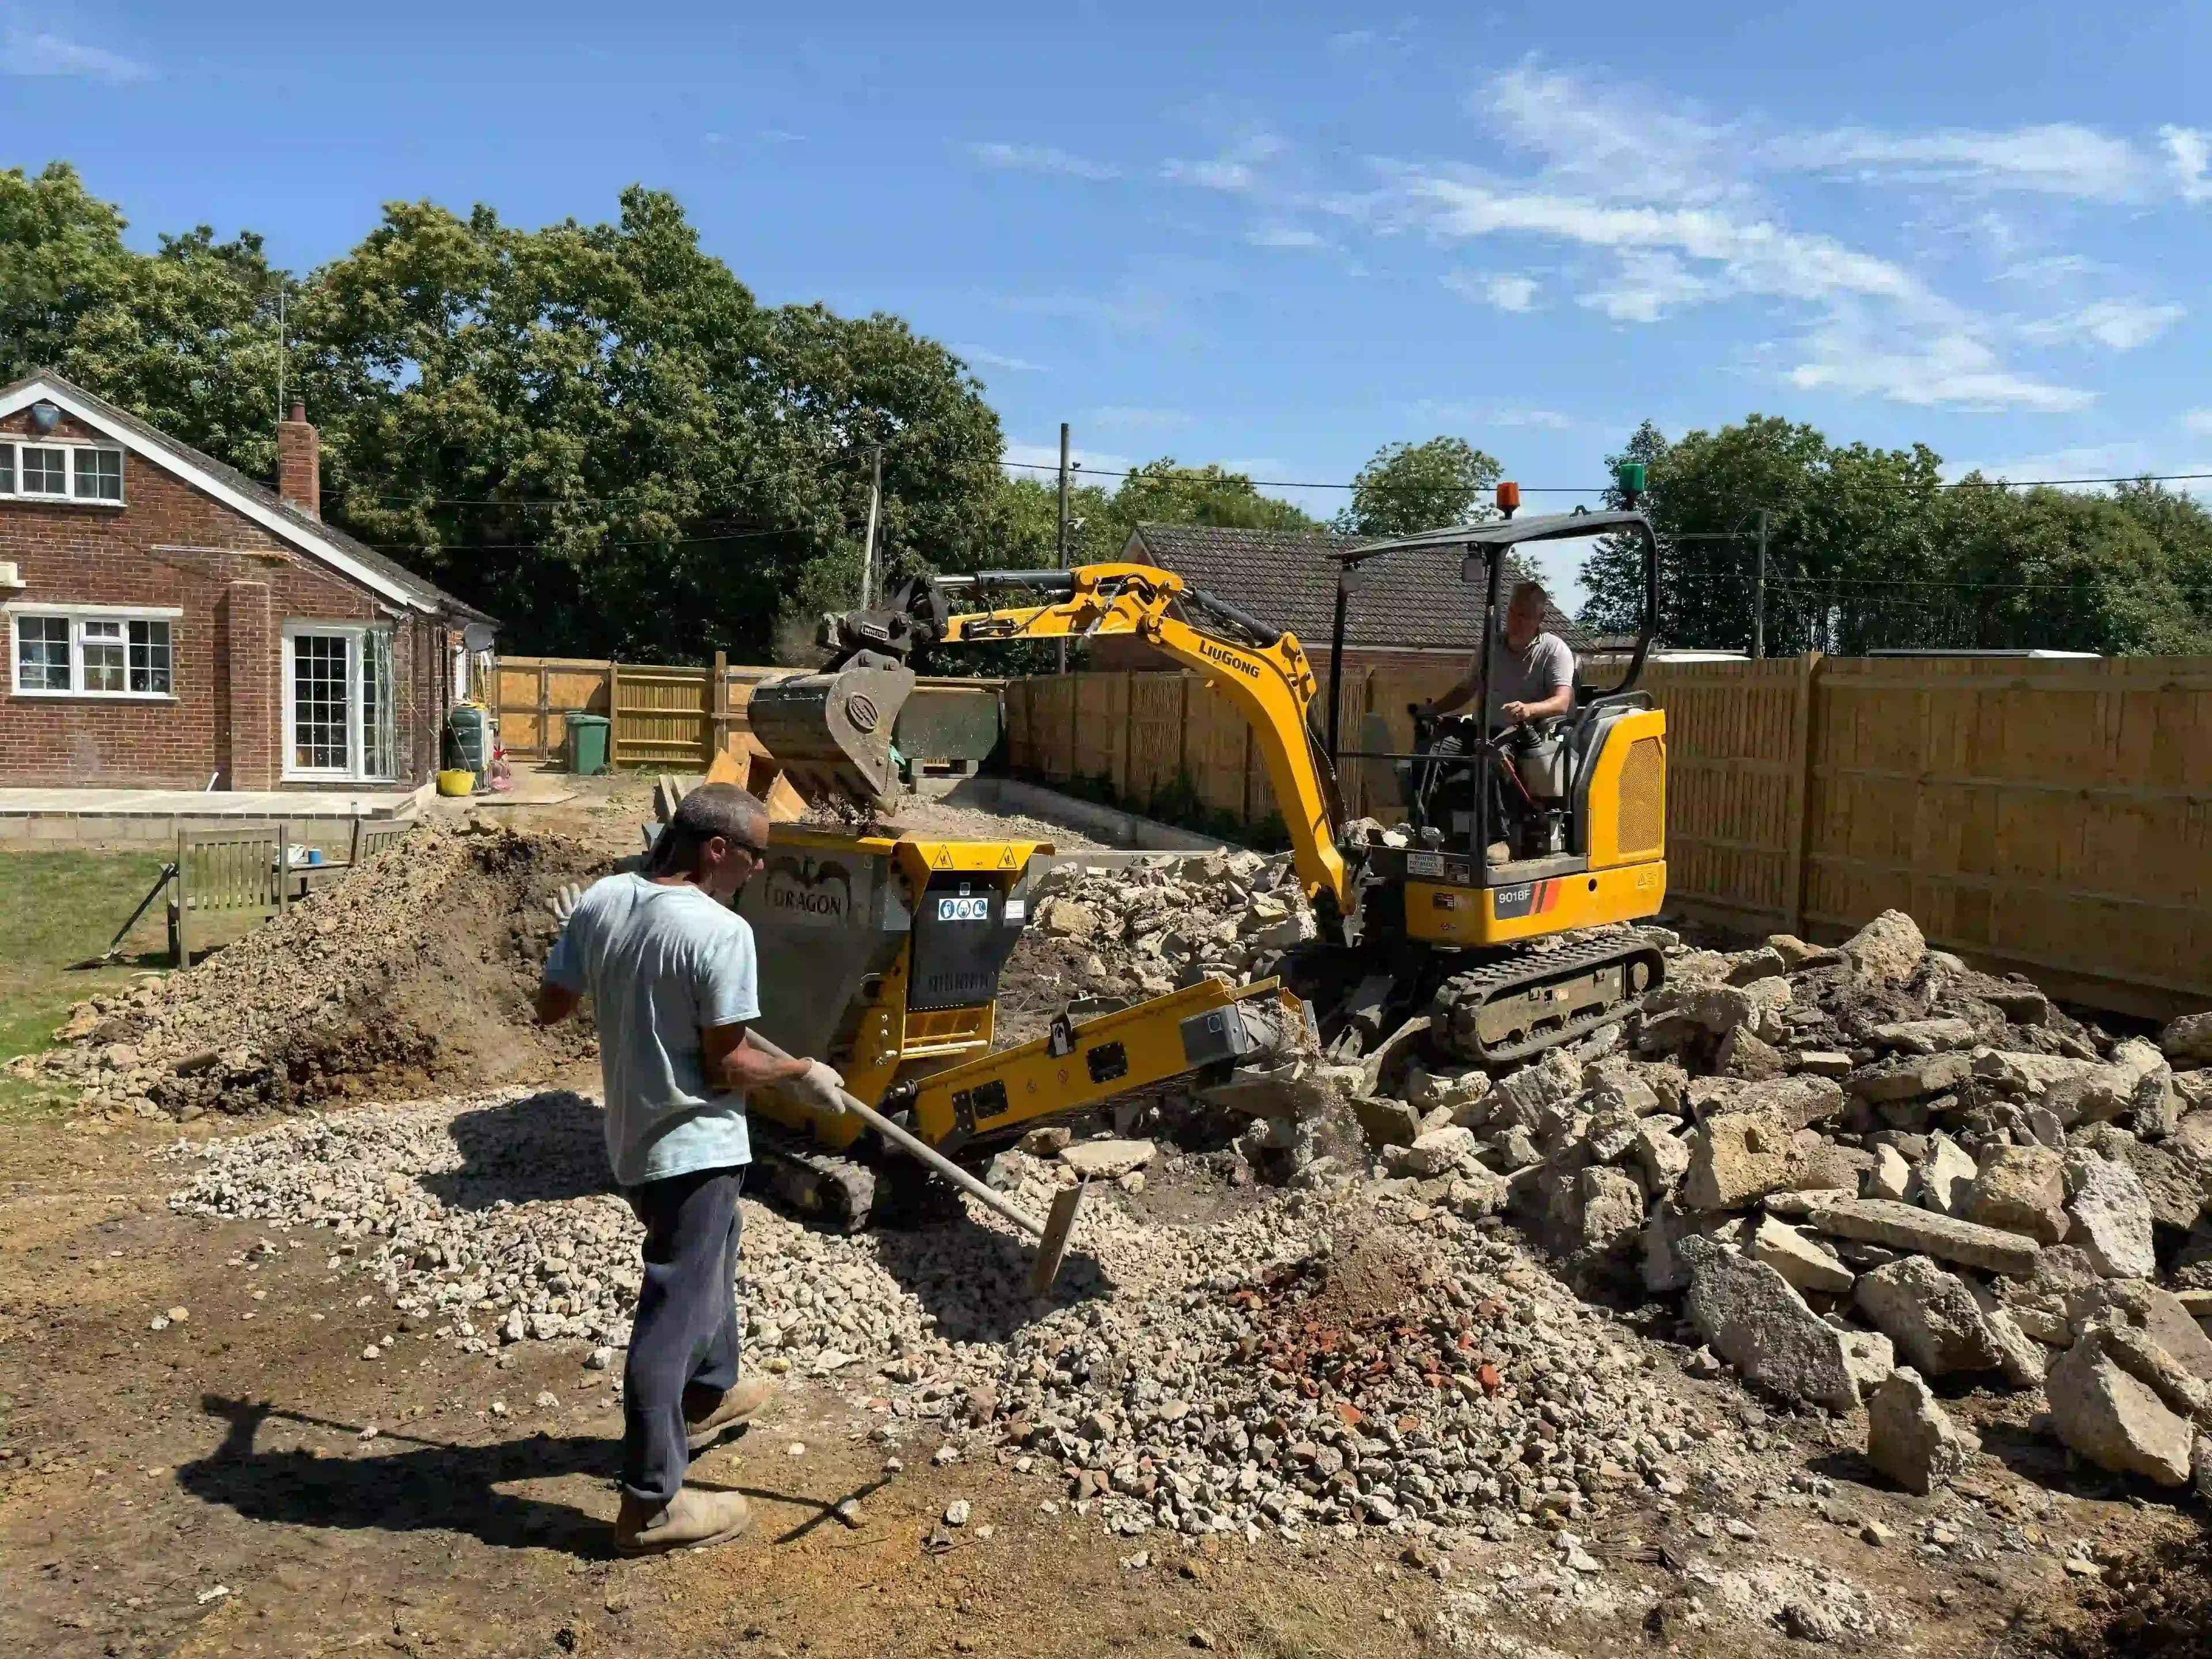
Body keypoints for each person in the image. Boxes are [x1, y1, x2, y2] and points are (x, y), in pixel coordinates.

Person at [536, 782, 843, 1554]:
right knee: (671, 1313)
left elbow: (551, 1007)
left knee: (716, 1253)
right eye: (756, 855)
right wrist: (800, 1072)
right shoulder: (721, 931)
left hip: (635, 1141)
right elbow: (726, 1066)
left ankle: (709, 1393)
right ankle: (651, 1504)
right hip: (693, 1147)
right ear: (718, 849)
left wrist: (582, 945)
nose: (760, 869)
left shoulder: (605, 900)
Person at [1416, 579, 1576, 730]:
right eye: (1512, 612)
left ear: (1541, 618)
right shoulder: (1490, 646)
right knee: (1437, 746)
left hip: (1524, 738)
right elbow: (1467, 689)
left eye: (1524, 616)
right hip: (1480, 734)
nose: (1516, 621)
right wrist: (1432, 710)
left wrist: (1529, 709)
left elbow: (1562, 702)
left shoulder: (1554, 650)